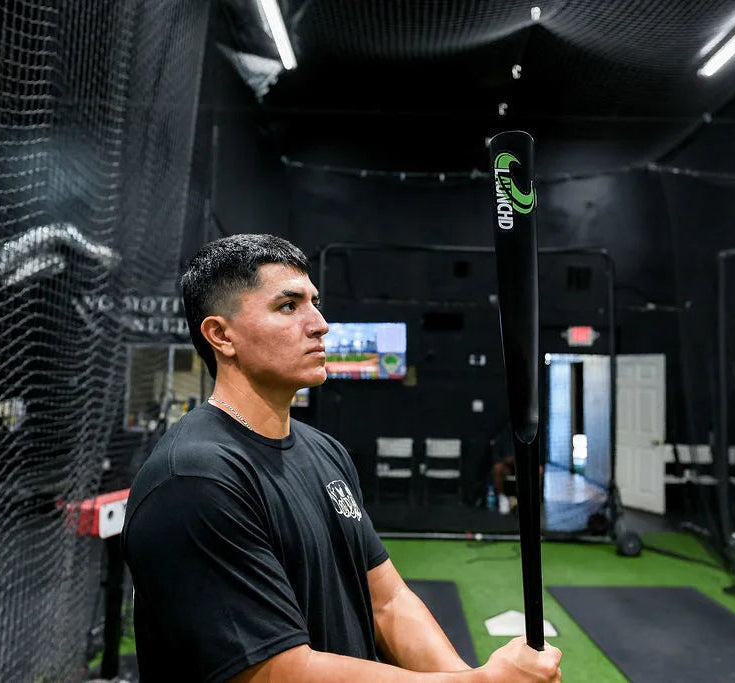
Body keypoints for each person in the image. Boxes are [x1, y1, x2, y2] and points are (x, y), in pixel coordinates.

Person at [122, 234, 562, 682]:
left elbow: (387, 602)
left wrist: (462, 678)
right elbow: (277, 671)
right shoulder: (196, 478)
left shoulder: (325, 451)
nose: (320, 324)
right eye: (288, 306)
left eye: (314, 303)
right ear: (221, 335)